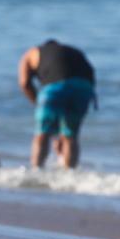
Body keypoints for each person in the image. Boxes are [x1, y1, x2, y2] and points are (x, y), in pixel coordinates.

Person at [18, 39, 96, 169]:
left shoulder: (32, 53)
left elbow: (24, 82)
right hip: (84, 88)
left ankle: (36, 170)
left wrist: (38, 104)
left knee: (42, 133)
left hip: (54, 88)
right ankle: (69, 173)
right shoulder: (74, 51)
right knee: (70, 135)